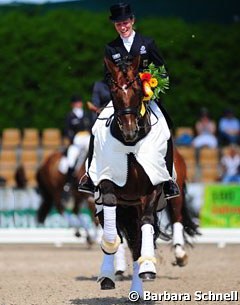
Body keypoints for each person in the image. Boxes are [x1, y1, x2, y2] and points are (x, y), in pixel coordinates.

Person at [78, 2, 179, 199]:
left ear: (132, 21)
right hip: (121, 101)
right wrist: (117, 89)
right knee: (96, 129)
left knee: (165, 129)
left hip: (145, 98)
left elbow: (162, 71)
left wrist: (151, 87)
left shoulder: (147, 43)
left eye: (125, 23)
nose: (122, 27)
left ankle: (168, 181)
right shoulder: (111, 48)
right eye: (118, 25)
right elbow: (107, 76)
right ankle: (90, 178)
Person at [63, 94, 93, 191]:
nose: (78, 104)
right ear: (73, 104)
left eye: (79, 102)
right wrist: (72, 140)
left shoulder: (87, 114)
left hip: (87, 138)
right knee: (70, 159)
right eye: (76, 102)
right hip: (76, 141)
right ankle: (69, 182)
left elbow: (91, 127)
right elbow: (67, 131)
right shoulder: (70, 116)